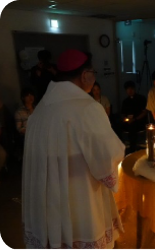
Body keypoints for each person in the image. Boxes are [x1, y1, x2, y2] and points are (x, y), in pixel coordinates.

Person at [22, 49, 125, 250]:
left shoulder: (40, 110)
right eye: (93, 72)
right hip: (79, 199)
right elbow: (106, 159)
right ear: (85, 75)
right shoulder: (87, 108)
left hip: (44, 204)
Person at [121, 80, 147, 153]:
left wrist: (135, 119)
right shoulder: (125, 101)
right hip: (129, 123)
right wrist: (124, 118)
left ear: (134, 89)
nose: (130, 91)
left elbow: (144, 112)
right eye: (128, 89)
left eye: (131, 89)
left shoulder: (141, 98)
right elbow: (123, 113)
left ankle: (134, 150)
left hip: (139, 122)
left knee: (134, 128)